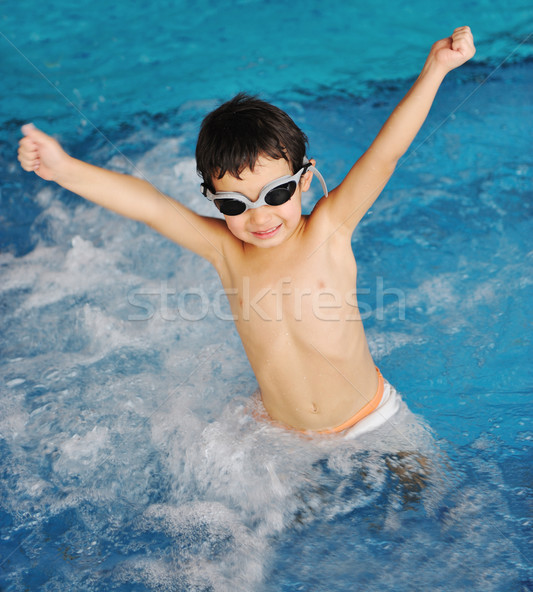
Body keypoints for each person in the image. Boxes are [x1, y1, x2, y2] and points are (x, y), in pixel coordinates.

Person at [17, 27, 475, 435]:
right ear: (213, 201)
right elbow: (150, 207)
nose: (260, 217)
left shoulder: (330, 230)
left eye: (276, 195)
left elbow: (385, 155)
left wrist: (436, 69)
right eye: (236, 204)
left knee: (428, 499)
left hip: (372, 419)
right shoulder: (227, 252)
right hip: (287, 438)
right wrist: (65, 170)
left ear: (305, 179)